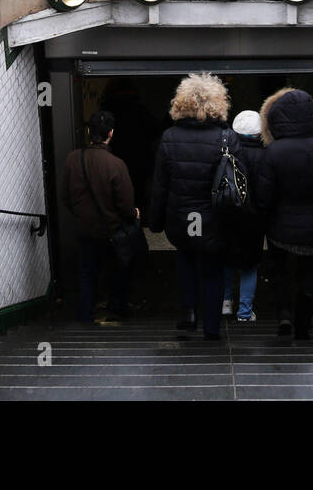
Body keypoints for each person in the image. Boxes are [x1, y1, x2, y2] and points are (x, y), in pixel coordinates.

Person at [150, 72, 242, 340]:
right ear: (217, 103)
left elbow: (160, 185)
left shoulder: (169, 137)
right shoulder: (227, 138)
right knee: (212, 270)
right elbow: (238, 182)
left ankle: (189, 313)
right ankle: (211, 328)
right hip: (214, 219)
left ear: (182, 103)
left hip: (181, 217)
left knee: (185, 260)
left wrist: (155, 222)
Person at [256, 88, 313, 341]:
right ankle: (304, 324)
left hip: (280, 228)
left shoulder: (274, 152)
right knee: (308, 274)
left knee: (280, 271)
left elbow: (264, 196)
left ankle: (284, 315)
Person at [66, 110, 139, 324]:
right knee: (118, 268)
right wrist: (133, 213)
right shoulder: (116, 164)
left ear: (88, 132)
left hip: (85, 229)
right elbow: (126, 204)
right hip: (111, 230)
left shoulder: (72, 159)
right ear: (111, 133)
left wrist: (81, 214)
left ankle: (85, 314)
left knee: (87, 271)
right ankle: (117, 306)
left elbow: (64, 196)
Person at [222, 109, 267, 322]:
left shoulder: (226, 153)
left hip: (230, 213)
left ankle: (226, 303)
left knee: (228, 259)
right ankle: (245, 312)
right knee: (250, 264)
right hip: (254, 217)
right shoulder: (266, 155)